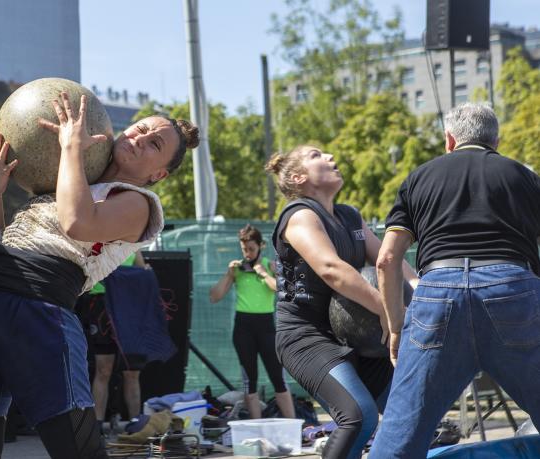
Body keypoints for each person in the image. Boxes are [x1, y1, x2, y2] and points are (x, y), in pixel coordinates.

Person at [0, 91, 199, 459]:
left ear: (158, 174)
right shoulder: (62, 183)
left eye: (153, 143)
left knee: (78, 449)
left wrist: (71, 148)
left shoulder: (138, 203)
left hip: (39, 310)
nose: (139, 139)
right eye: (139, 129)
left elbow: (77, 222)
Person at [370, 103, 540, 458]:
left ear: (449, 139)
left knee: (402, 431)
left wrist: (397, 325)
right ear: (496, 139)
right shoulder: (523, 177)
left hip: (436, 295)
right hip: (513, 289)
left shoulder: (418, 178)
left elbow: (386, 259)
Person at [265, 145, 418, 459]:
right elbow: (331, 270)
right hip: (306, 338)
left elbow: (388, 261)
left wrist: (422, 292)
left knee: (411, 411)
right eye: (317, 155)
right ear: (298, 177)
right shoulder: (299, 215)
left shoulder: (349, 216)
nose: (331, 157)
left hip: (358, 333)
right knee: (358, 417)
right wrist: (390, 312)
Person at [209, 224, 295, 419]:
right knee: (250, 382)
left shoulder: (269, 265)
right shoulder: (237, 270)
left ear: (261, 246)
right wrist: (228, 274)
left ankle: (293, 427)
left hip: (266, 329)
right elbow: (214, 296)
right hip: (243, 329)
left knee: (278, 378)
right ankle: (257, 428)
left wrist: (264, 273)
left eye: (251, 249)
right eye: (244, 250)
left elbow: (280, 290)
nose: (247, 254)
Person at [78, 250, 149, 425]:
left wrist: (145, 273)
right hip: (101, 306)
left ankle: (135, 422)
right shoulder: (96, 245)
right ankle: (98, 424)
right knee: (103, 369)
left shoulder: (132, 248)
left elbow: (143, 274)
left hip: (128, 309)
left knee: (131, 371)